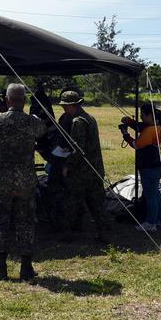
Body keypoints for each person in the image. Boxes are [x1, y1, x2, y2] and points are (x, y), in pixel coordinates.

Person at [0, 83, 46, 281]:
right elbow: (43, 130)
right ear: (24, 101)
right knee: (25, 222)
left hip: (2, 180)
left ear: (7, 100)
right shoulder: (31, 122)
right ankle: (26, 267)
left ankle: (1, 266)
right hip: (25, 180)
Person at [58, 89, 108, 242]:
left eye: (65, 106)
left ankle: (68, 233)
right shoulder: (89, 118)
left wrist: (67, 165)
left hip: (82, 171)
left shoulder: (77, 121)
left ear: (72, 105)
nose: (64, 109)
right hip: (95, 168)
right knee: (96, 203)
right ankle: (103, 233)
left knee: (72, 201)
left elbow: (78, 149)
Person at [122, 104, 161, 232]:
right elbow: (140, 126)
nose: (140, 116)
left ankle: (150, 223)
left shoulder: (149, 130)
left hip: (149, 167)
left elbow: (136, 144)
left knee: (150, 195)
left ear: (149, 115)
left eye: (142, 114)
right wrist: (129, 121)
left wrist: (125, 135)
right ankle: (160, 219)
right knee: (155, 193)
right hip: (156, 165)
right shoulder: (154, 127)